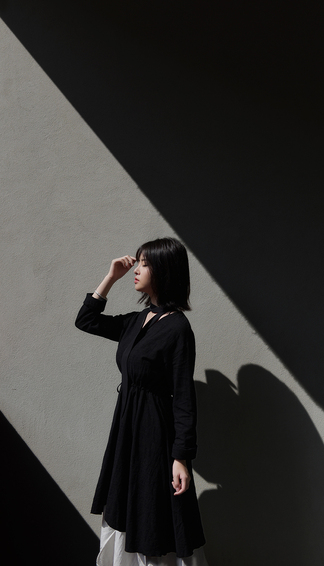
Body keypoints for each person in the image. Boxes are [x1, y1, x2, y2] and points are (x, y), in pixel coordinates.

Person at [75, 237, 207, 566]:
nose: (137, 269)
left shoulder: (178, 329)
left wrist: (180, 457)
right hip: (127, 429)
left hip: (154, 433)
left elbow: (184, 398)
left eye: (144, 264)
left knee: (150, 509)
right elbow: (86, 320)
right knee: (123, 503)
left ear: (163, 271)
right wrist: (111, 277)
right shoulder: (137, 320)